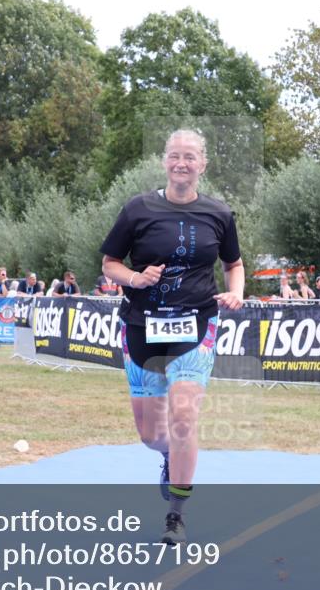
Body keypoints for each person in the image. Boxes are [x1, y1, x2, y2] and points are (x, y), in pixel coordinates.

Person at [100, 128, 244, 545]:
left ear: (203, 164)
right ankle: (166, 456)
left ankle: (176, 515)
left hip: (195, 325)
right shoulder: (137, 209)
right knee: (150, 435)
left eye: (190, 157)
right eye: (174, 156)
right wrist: (135, 277)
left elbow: (234, 263)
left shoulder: (219, 213)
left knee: (184, 416)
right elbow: (110, 263)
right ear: (164, 161)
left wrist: (235, 293)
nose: (181, 164)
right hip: (142, 326)